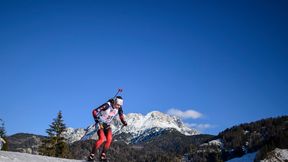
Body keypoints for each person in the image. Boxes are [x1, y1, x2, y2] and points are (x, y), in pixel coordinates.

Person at [88, 96, 127, 161]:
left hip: (107, 124)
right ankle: (91, 156)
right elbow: (94, 111)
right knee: (102, 139)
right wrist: (97, 120)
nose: (118, 106)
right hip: (100, 124)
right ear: (114, 102)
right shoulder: (107, 105)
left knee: (109, 139)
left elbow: (121, 116)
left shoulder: (119, 107)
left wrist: (124, 122)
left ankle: (103, 156)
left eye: (120, 105)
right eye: (117, 105)